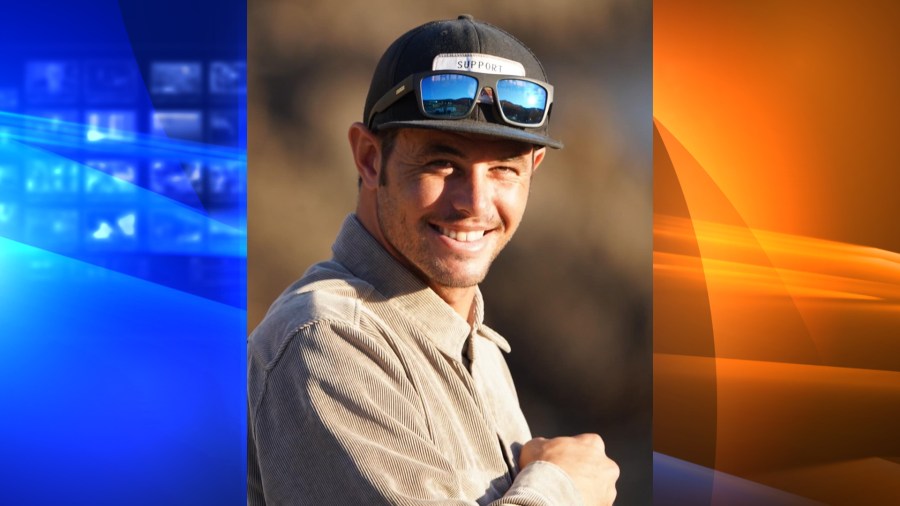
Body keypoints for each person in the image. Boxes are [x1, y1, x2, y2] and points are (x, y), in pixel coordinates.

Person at [247, 14, 619, 505]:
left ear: (534, 169)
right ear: (368, 158)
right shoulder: (324, 342)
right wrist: (564, 488)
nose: (476, 204)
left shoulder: (476, 344)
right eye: (443, 164)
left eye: (504, 169)